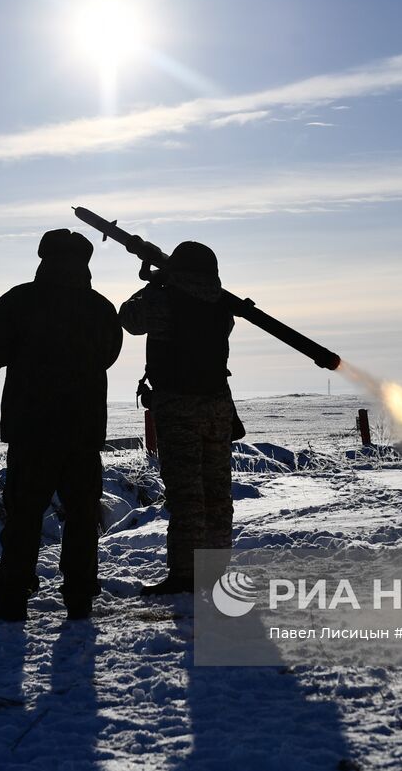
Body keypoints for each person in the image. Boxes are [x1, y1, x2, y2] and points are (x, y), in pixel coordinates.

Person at [0, 229, 122, 622]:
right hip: (84, 430)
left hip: (32, 430)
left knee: (23, 516)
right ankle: (79, 598)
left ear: (43, 257)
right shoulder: (101, 308)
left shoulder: (21, 300)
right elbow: (109, 355)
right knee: (83, 515)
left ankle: (13, 599)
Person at [120, 241, 242, 596]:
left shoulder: (162, 298)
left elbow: (129, 318)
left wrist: (151, 285)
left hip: (178, 406)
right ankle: (216, 571)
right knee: (217, 493)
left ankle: (186, 576)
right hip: (217, 405)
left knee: (187, 493)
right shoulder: (221, 303)